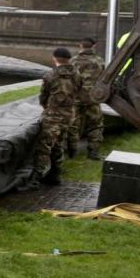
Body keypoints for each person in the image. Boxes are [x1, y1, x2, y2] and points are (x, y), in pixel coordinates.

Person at [21, 48, 84, 190]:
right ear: (69, 59)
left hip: (53, 116)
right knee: (58, 144)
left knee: (43, 148)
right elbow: (78, 91)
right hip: (68, 115)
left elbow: (43, 96)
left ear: (54, 58)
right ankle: (55, 175)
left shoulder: (50, 75)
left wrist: (47, 108)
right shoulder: (77, 74)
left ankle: (34, 181)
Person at [68, 38, 106, 160]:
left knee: (73, 125)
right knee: (95, 124)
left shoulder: (72, 61)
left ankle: (72, 152)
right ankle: (93, 152)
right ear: (94, 46)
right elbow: (104, 79)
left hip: (76, 98)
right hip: (93, 98)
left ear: (80, 45)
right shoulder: (99, 61)